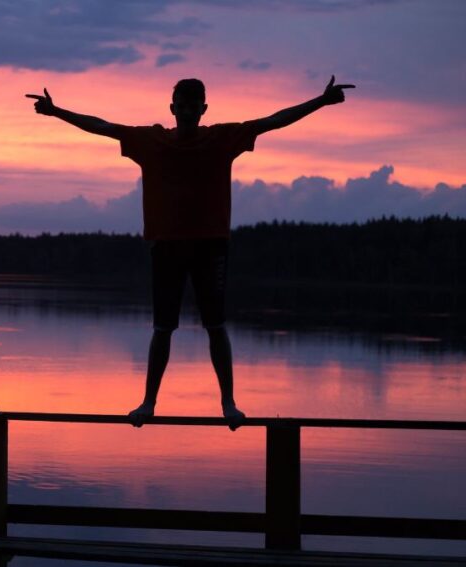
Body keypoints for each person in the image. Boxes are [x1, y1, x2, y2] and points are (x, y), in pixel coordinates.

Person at [26, 76, 354, 430]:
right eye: (181, 106)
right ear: (172, 108)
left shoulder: (221, 138)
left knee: (216, 326)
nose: (186, 112)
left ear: (203, 109)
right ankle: (149, 402)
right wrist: (56, 112)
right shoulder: (152, 140)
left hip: (210, 246)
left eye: (193, 106)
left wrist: (320, 102)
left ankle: (228, 403)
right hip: (167, 246)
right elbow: (102, 126)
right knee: (162, 328)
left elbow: (273, 121)